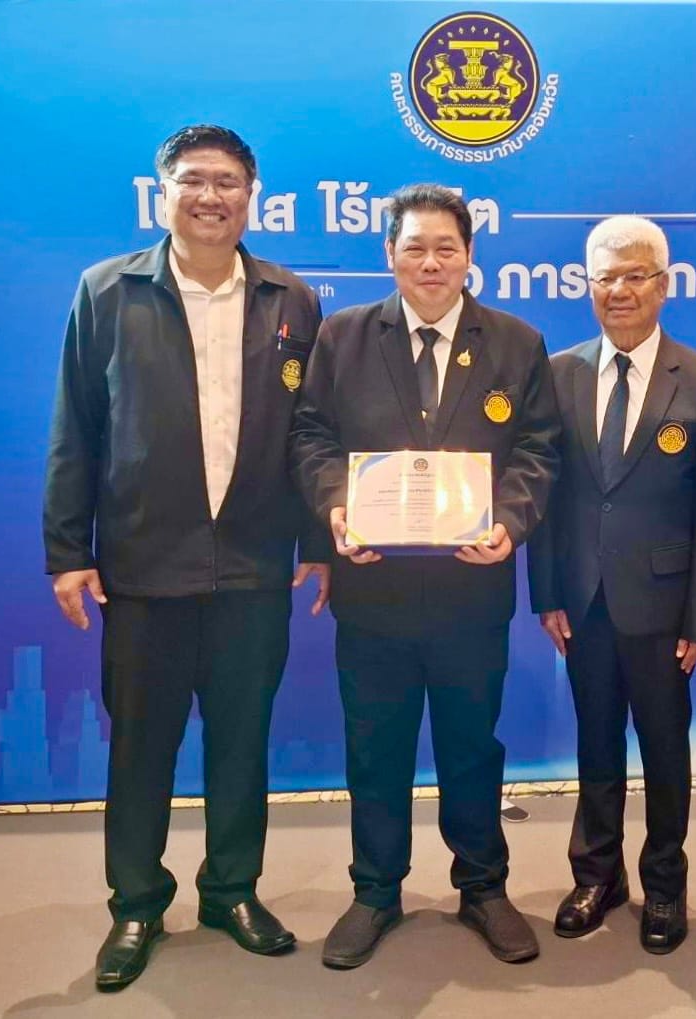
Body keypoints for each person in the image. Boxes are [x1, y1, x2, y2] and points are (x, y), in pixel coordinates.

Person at [43, 125, 330, 991]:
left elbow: (313, 434)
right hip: (144, 566)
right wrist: (68, 550)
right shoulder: (108, 291)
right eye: (194, 180)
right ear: (162, 192)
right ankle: (136, 902)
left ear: (252, 196)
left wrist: (319, 542)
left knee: (242, 742)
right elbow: (76, 428)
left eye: (229, 182)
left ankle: (231, 890)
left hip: (253, 565)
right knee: (142, 746)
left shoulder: (290, 299)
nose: (211, 196)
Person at [290, 183, 560, 969]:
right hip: (372, 593)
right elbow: (310, 436)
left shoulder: (515, 342)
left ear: (470, 255)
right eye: (415, 247)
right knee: (374, 748)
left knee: (471, 746)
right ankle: (375, 891)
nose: (431, 262)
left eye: (447, 247)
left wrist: (509, 519)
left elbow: (538, 449)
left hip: (471, 594)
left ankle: (482, 885)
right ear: (389, 255)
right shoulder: (342, 336)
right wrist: (337, 505)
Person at [527, 216, 696, 953]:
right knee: (595, 742)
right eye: (604, 277)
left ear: (663, 285)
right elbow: (545, 495)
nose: (619, 291)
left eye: (634, 276)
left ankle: (665, 884)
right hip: (583, 600)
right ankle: (596, 875)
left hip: (666, 606)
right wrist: (547, 592)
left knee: (666, 750)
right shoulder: (558, 373)